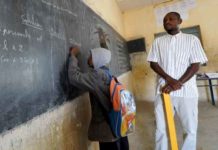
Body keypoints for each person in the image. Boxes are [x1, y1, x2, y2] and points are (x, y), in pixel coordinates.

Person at [147, 12, 208, 150]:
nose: (167, 21)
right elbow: (153, 63)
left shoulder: (192, 39)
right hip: (163, 90)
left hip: (186, 92)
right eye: (164, 20)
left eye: (171, 19)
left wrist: (178, 83)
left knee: (190, 129)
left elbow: (195, 65)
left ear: (179, 21)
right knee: (160, 128)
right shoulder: (158, 42)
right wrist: (170, 80)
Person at [68, 46, 129, 150]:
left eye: (92, 56)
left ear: (98, 59)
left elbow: (74, 77)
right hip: (118, 125)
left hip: (107, 130)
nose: (89, 58)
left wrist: (73, 56)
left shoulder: (97, 75)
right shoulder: (108, 74)